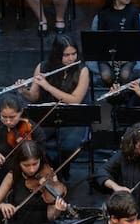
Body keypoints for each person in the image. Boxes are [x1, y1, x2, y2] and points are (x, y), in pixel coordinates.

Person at [16, 35, 90, 175]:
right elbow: (34, 96)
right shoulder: (43, 67)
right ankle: (49, 167)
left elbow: (75, 100)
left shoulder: (82, 70)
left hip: (72, 118)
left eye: (74, 54)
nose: (71, 58)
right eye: (66, 55)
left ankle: (57, 168)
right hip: (47, 115)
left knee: (69, 146)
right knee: (32, 140)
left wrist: (48, 86)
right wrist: (23, 91)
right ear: (57, 54)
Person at [93, 0, 140, 87]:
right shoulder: (104, 14)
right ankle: (114, 94)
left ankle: (122, 96)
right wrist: (109, 58)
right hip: (107, 54)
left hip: (128, 53)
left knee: (125, 75)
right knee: (106, 76)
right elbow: (100, 39)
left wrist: (125, 57)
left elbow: (137, 39)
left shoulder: (133, 12)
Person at [0, 94, 46, 169]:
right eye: (4, 117)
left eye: (12, 117)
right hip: (4, 170)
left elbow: (42, 155)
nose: (8, 122)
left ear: (21, 112)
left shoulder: (32, 128)